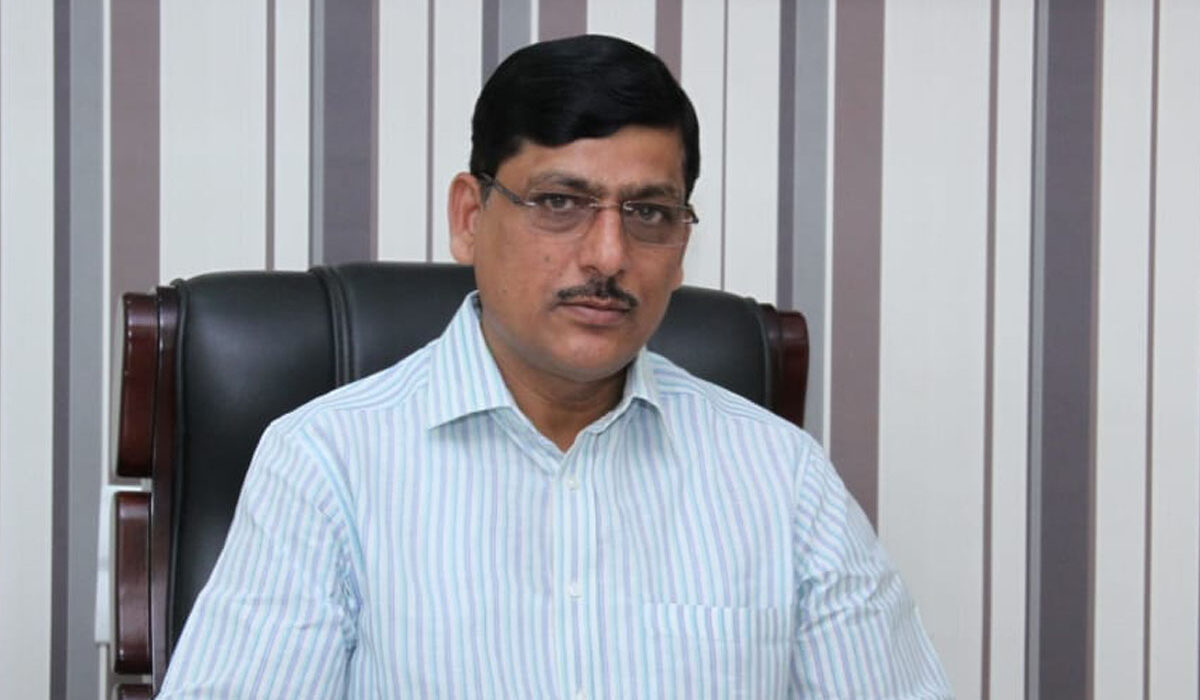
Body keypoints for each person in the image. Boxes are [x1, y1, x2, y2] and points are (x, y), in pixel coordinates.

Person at [159, 34, 950, 698]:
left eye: (648, 213)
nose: (608, 255)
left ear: (681, 243)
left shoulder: (781, 478)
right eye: (560, 203)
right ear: (470, 218)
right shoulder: (326, 464)